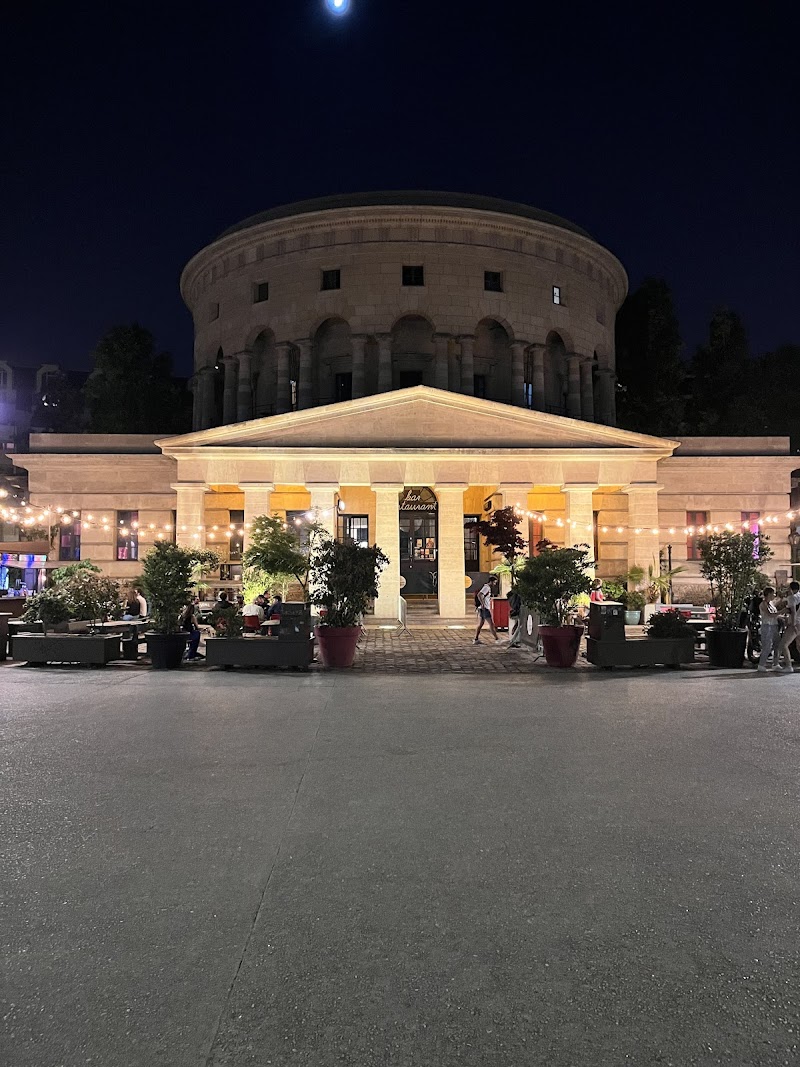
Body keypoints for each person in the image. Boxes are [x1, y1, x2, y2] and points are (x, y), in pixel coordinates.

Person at [777, 580, 800, 673]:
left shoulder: (792, 598)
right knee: (799, 645)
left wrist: (793, 624)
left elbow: (793, 611)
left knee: (784, 644)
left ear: (790, 588)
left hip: (795, 623)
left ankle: (788, 666)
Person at [757, 587, 781, 672]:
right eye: (773, 593)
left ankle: (775, 663)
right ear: (769, 594)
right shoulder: (763, 604)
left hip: (774, 625)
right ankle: (761, 664)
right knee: (767, 645)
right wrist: (782, 612)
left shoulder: (771, 603)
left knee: (777, 644)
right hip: (767, 625)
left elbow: (774, 614)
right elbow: (770, 614)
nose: (774, 595)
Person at [474, 579, 498, 644]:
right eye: (494, 582)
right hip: (485, 608)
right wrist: (483, 604)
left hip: (483, 608)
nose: (495, 584)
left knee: (481, 624)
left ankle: (476, 639)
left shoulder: (486, 587)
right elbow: (479, 594)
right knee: (491, 624)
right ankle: (497, 639)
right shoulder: (486, 587)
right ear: (491, 581)